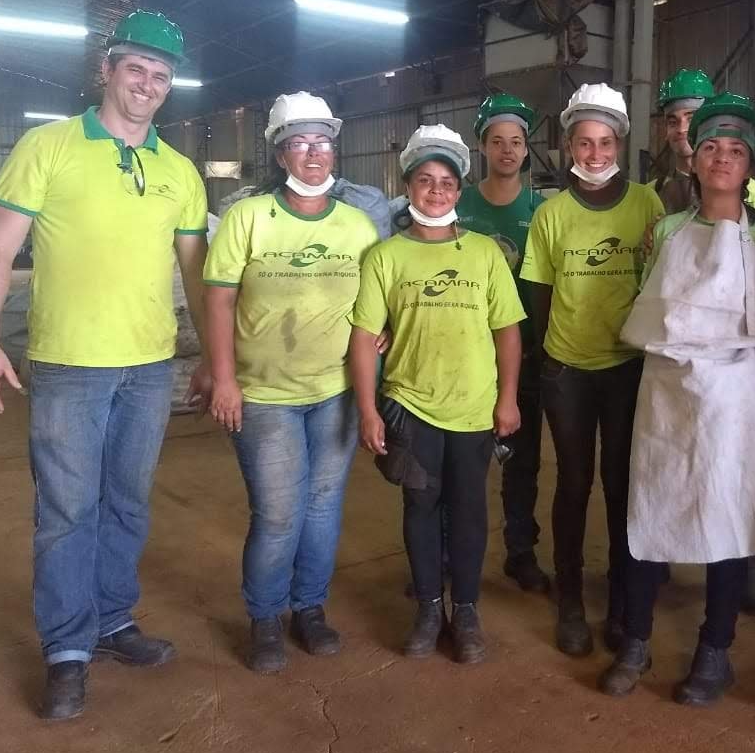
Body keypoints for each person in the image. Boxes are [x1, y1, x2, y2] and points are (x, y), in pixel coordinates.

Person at [0, 10, 210, 720]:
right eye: (135, 68)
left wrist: (212, 359)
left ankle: (111, 620)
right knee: (67, 510)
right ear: (106, 71)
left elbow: (197, 276)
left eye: (160, 75)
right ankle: (67, 648)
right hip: (69, 364)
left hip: (149, 368)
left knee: (127, 502)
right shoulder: (49, 146)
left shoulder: (180, 172)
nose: (147, 84)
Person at [599, 92, 755, 704]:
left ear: (750, 163)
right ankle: (636, 639)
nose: (722, 158)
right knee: (650, 505)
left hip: (735, 393)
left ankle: (715, 649)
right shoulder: (666, 232)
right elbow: (649, 301)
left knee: (726, 512)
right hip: (666, 388)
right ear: (694, 157)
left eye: (735, 150)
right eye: (710, 146)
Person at [203, 92, 380, 674]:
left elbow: (377, 299)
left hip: (334, 392)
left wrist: (382, 334)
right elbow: (219, 300)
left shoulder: (357, 225)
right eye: (299, 143)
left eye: (322, 142)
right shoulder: (248, 218)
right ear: (280, 155)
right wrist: (224, 379)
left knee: (323, 508)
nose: (313, 153)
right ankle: (264, 616)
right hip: (264, 395)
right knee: (279, 513)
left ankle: (309, 607)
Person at [350, 124, 524, 664]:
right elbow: (363, 336)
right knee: (420, 506)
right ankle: (428, 608)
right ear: (408, 186)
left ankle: (465, 610)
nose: (436, 191)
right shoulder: (385, 257)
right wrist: (367, 409)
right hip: (412, 406)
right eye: (425, 180)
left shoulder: (485, 254)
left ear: (459, 191)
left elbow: (507, 331)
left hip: (473, 406)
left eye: (447, 182)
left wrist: (508, 398)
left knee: (469, 511)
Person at [520, 83, 665, 657]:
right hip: (569, 370)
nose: (596, 153)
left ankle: (626, 601)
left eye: (605, 142)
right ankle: (572, 600)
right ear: (568, 146)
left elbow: (661, 280)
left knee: (624, 483)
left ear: (620, 144)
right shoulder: (551, 214)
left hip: (628, 366)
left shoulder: (647, 205)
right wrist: (547, 363)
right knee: (575, 482)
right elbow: (539, 294)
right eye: (584, 142)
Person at [456, 93, 549, 593]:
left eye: (516, 141)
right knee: (460, 463)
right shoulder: (459, 205)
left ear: (527, 148)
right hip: (466, 354)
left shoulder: (541, 210)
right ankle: (449, 555)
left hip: (524, 355)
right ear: (482, 147)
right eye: (497, 141)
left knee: (521, 463)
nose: (507, 150)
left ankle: (520, 551)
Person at [653, 68, 755, 216]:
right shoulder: (652, 193)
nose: (681, 129)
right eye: (673, 122)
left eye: (691, 119)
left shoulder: (750, 191)